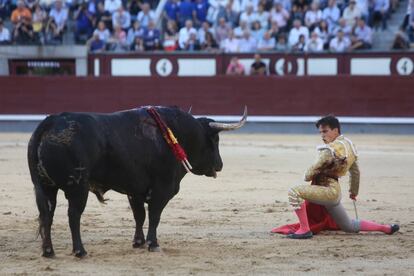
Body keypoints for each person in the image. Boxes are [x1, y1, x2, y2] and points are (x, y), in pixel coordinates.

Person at [272, 115, 400, 239]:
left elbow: (316, 167)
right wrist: (353, 192)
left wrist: (307, 175)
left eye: (325, 131)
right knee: (349, 226)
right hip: (335, 193)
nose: (322, 135)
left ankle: (304, 229)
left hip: (327, 191)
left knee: (294, 192)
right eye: (321, 132)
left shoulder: (330, 149)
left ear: (335, 130)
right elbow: (355, 173)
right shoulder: (349, 146)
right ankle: (386, 228)